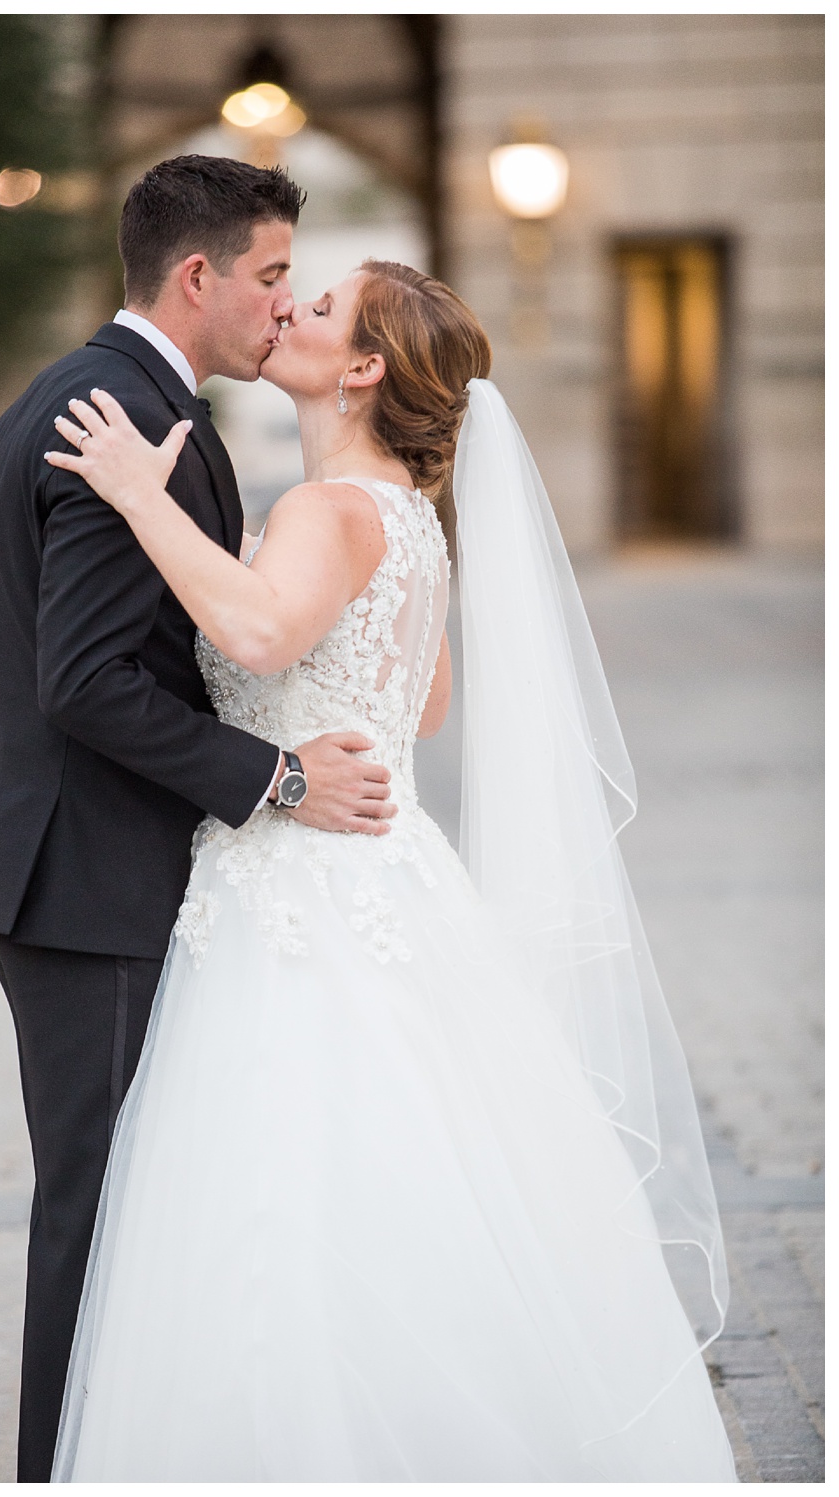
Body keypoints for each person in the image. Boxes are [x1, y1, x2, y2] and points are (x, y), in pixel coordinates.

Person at [40, 259, 734, 1478]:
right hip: (395, 878)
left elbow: (257, 633)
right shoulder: (404, 519)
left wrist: (139, 501)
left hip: (299, 891)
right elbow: (419, 708)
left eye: (311, 308)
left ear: (359, 368)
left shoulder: (322, 513)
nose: (284, 311)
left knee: (286, 1208)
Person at [0, 154, 397, 1482]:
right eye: (267, 279)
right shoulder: (122, 418)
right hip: (86, 880)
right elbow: (79, 681)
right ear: (198, 278)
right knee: (99, 1202)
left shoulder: (76, 398)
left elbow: (0, 650)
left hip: (65, 856)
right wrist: (277, 778)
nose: (280, 305)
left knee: (118, 1193)